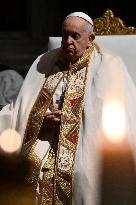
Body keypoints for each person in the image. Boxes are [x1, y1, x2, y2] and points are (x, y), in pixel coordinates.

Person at [1, 11, 136, 205]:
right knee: (26, 173)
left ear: (90, 39)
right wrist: (42, 118)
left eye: (75, 36)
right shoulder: (45, 62)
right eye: (65, 35)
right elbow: (21, 107)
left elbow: (114, 117)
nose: (68, 41)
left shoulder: (108, 65)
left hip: (86, 148)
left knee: (83, 176)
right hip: (44, 142)